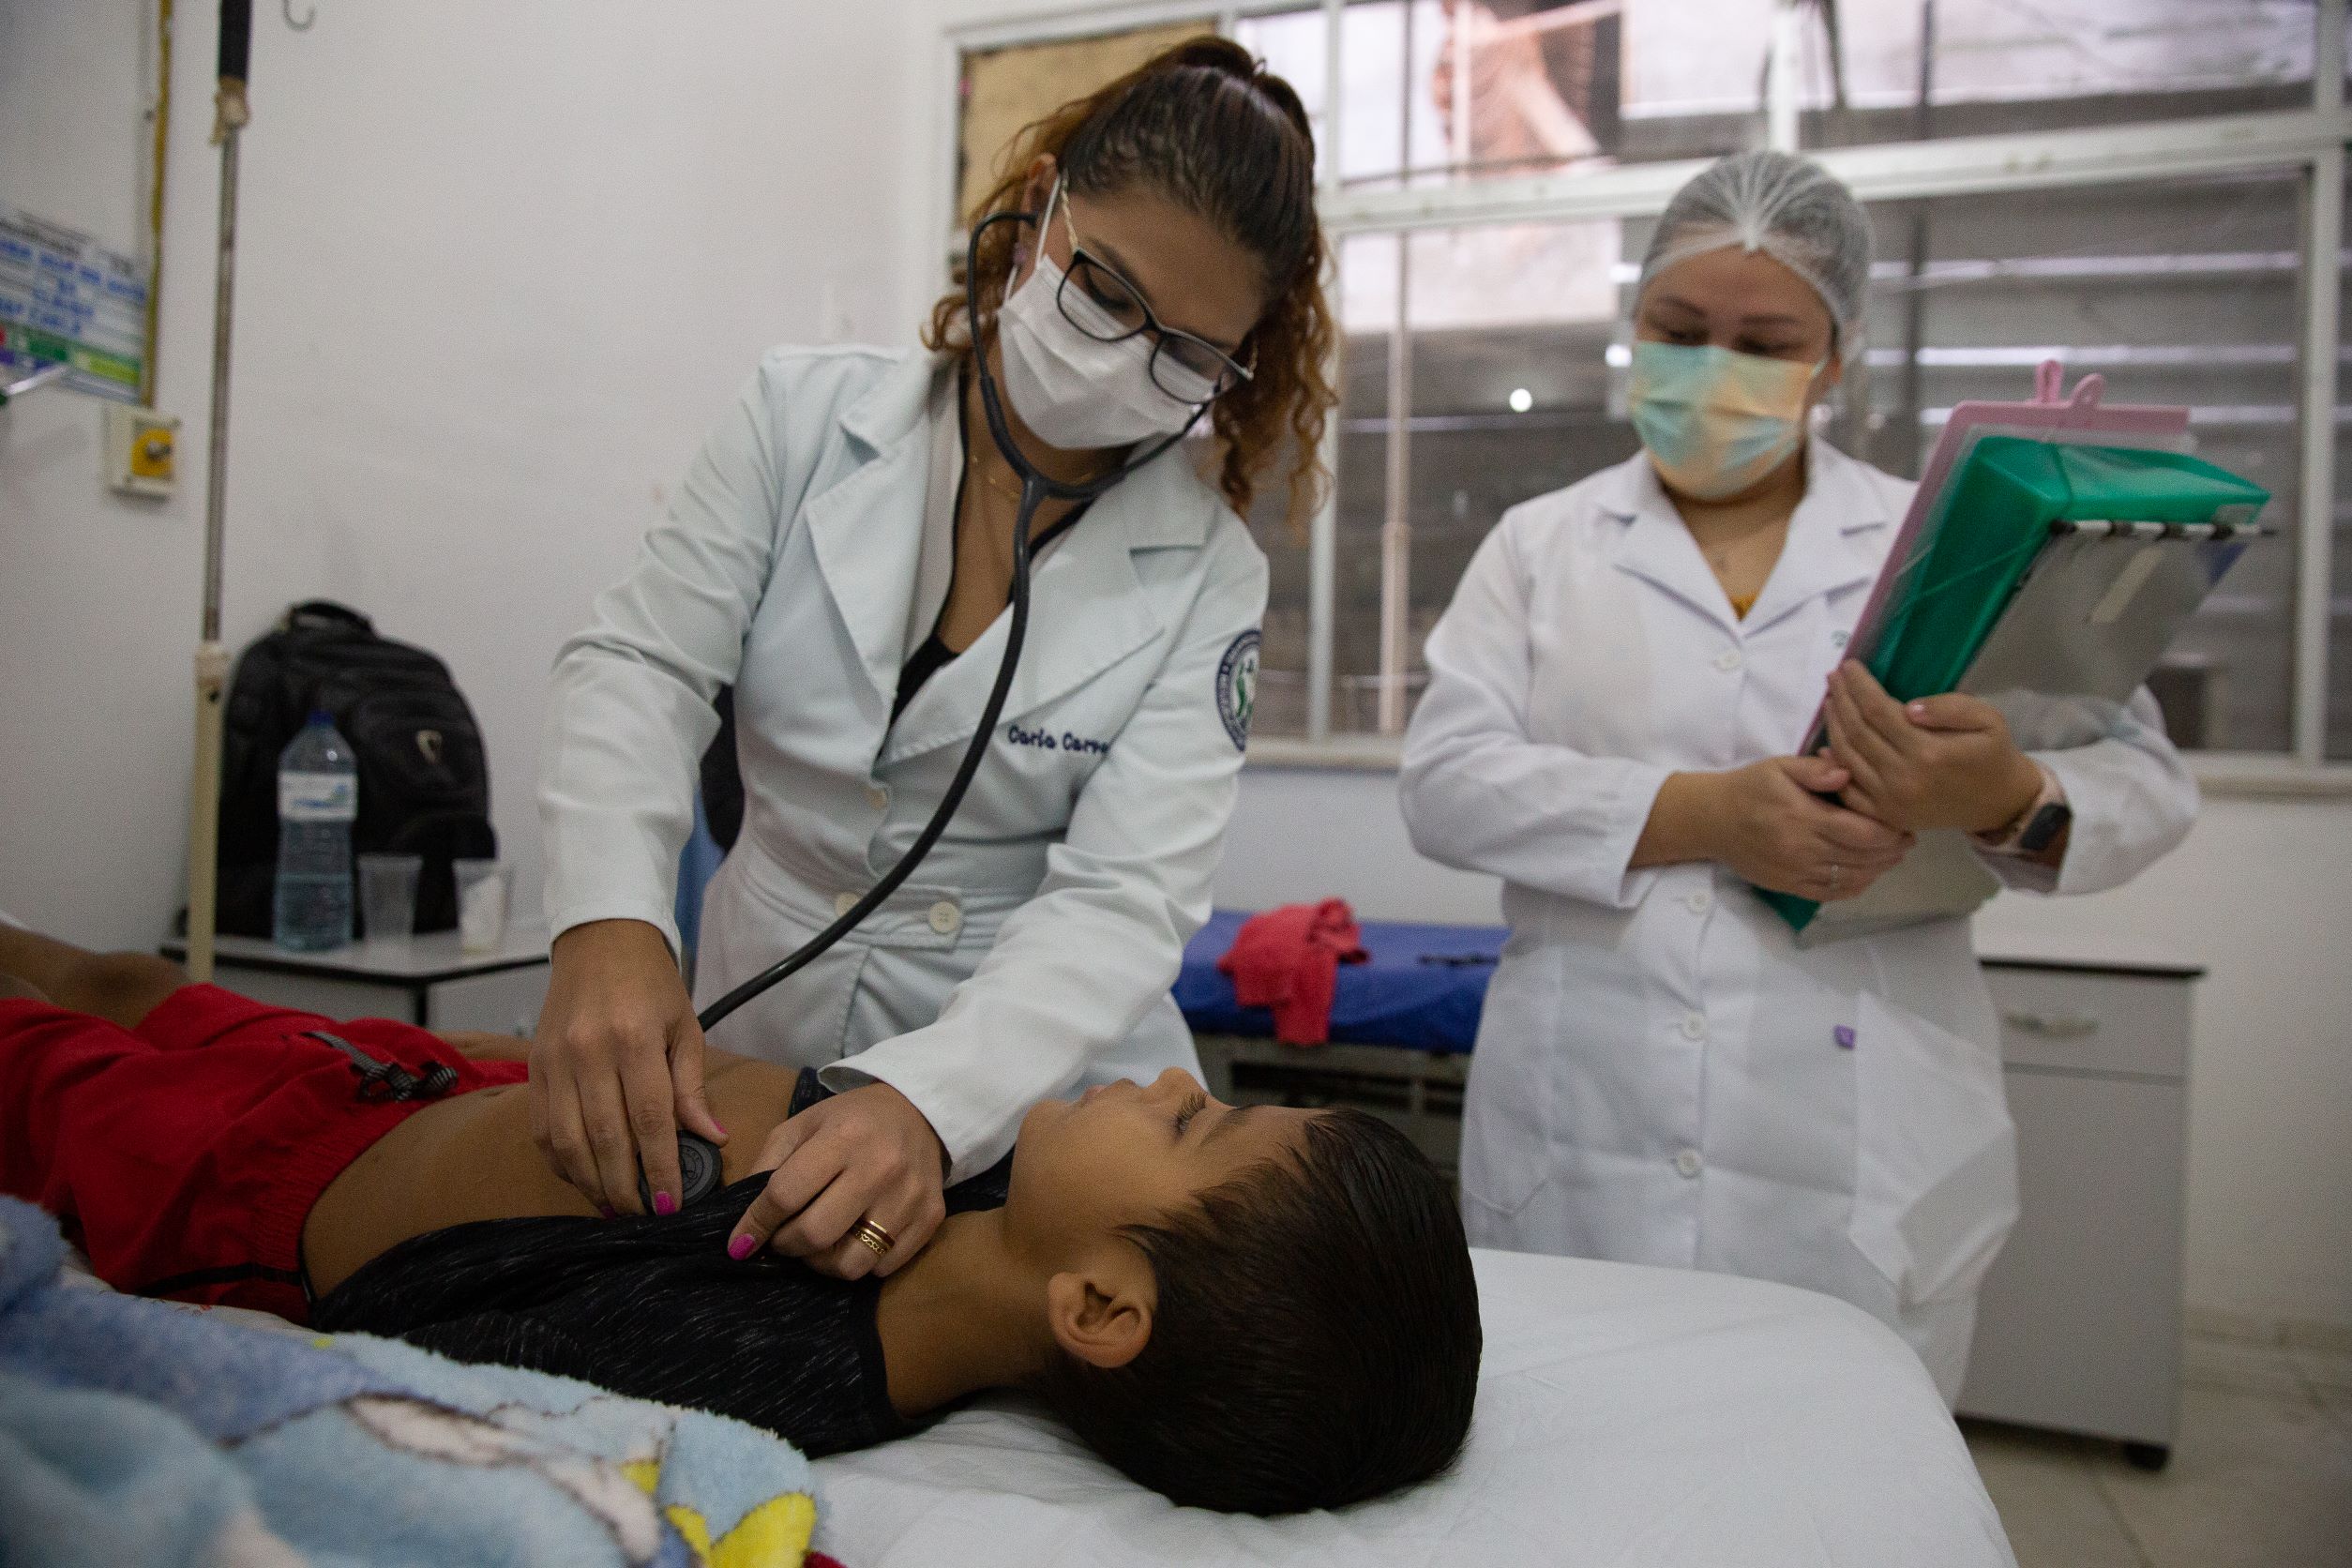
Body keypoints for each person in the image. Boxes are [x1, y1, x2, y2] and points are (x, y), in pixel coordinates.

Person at [1397, 149, 2197, 1401]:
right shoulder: (1542, 547)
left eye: (1765, 342)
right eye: (1679, 327)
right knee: (1580, 1477)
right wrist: (1702, 812)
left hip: (1860, 1155)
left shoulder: (1946, 543)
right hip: (1584, 1135)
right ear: (1633, 325)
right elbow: (1445, 782)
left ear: (1837, 354)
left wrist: (2002, 797)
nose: (1713, 369)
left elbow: (2147, 776)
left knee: (1846, 1492)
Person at [532, 38, 1335, 1283]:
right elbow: (642, 660)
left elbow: (1124, 899)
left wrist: (929, 1101)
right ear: (1036, 213)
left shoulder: (1209, 571)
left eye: (1185, 355)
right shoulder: (800, 419)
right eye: (1105, 293)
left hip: (1039, 1088)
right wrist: (608, 925)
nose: (1126, 359)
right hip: (759, 1012)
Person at [0, 924, 1479, 1515]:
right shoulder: (965, 1167)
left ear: (1096, 1309)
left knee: (43, 1053)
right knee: (120, 975)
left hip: (250, 1193)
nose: (1165, 1075)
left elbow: (407, 1347)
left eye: (1192, 1123)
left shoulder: (772, 1362)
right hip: (407, 1080)